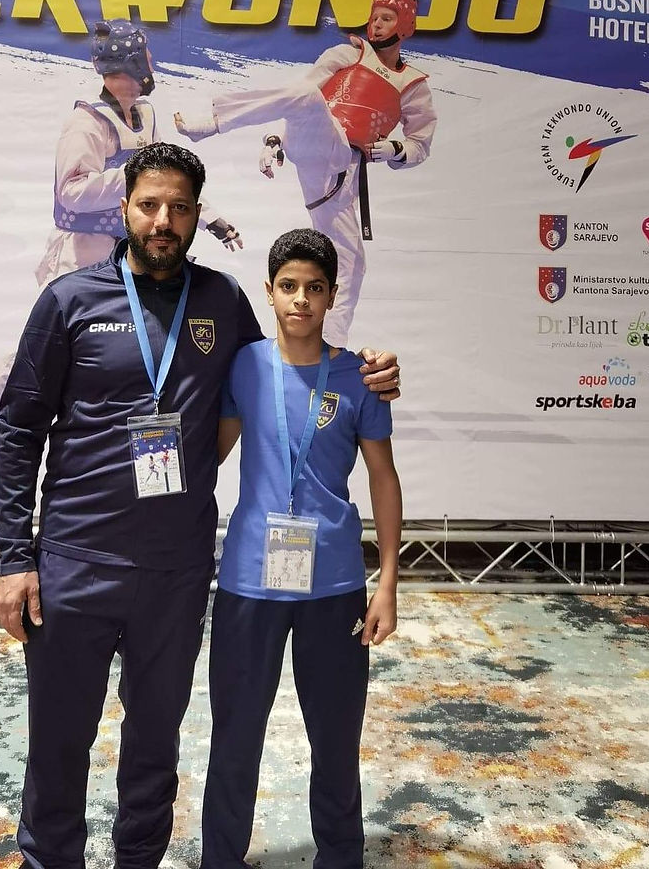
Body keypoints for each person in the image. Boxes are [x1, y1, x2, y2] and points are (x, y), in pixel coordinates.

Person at [0, 143, 400, 869]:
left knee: (155, 741)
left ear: (196, 215)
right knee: (59, 741)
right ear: (124, 208)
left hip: (176, 571)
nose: (163, 220)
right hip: (77, 561)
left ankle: (139, 860)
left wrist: (369, 370)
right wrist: (15, 558)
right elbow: (20, 428)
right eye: (149, 204)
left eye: (179, 207)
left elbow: (289, 366)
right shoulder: (69, 300)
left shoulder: (221, 301)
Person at [0, 20, 242, 478]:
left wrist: (211, 217)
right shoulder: (86, 123)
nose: (151, 64)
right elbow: (71, 193)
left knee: (141, 350)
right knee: (36, 354)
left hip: (130, 253)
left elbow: (163, 182)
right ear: (131, 62)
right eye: (145, 56)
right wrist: (131, 175)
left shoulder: (145, 115)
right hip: (80, 253)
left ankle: (138, 465)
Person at [201, 228, 402, 869]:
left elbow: (383, 478)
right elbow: (214, 453)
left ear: (332, 295)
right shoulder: (243, 366)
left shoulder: (360, 378)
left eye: (315, 288)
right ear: (269, 291)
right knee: (235, 738)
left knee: (336, 740)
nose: (301, 300)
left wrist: (388, 583)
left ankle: (340, 858)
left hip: (335, 584)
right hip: (248, 582)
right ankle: (221, 859)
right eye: (289, 286)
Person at [174, 0, 437, 347]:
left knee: (351, 262)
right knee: (308, 95)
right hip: (317, 142)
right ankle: (214, 122)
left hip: (344, 168)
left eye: (387, 18)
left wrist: (395, 149)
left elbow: (420, 144)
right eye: (374, 17)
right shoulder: (347, 54)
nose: (376, 25)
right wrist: (275, 142)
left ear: (404, 26)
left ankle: (331, 343)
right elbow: (299, 96)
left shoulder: (413, 85)